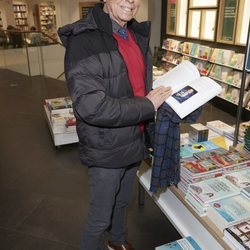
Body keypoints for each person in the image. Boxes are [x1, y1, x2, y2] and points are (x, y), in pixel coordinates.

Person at [58, 1, 172, 249]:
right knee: (100, 216)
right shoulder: (83, 40)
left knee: (123, 202)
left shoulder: (133, 34)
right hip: (106, 146)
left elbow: (133, 85)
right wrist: (148, 105)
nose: (130, 1)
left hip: (134, 136)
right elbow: (92, 107)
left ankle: (117, 242)